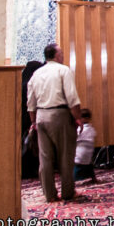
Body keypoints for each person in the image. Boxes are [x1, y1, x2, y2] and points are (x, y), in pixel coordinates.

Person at [26, 43, 83, 202]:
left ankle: (49, 194)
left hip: (40, 116)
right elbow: (72, 97)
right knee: (65, 155)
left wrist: (33, 122)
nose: (63, 55)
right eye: (62, 53)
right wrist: (77, 117)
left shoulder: (36, 74)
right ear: (57, 56)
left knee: (45, 159)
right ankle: (67, 192)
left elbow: (30, 102)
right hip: (60, 115)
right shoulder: (63, 70)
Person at [20, 60, 43, 179]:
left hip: (22, 119)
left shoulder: (21, 82)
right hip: (28, 118)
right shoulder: (29, 84)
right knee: (30, 144)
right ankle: (29, 170)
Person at [74, 108, 98, 183]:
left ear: (83, 118)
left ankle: (73, 179)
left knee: (77, 166)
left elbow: (76, 138)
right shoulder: (91, 129)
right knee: (89, 165)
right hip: (89, 153)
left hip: (80, 153)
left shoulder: (80, 129)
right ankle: (93, 178)